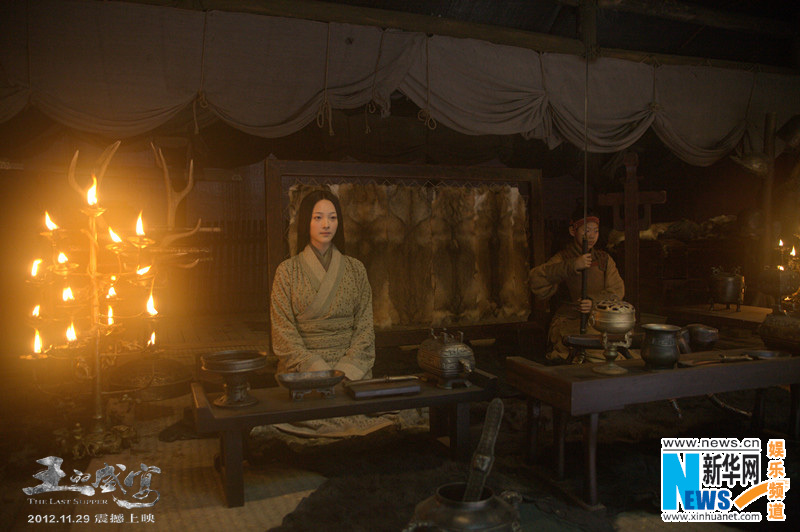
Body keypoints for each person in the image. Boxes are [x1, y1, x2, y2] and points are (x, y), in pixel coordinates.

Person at [270, 188, 375, 381]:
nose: (326, 224)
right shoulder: (287, 272)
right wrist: (318, 370)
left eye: (332, 218)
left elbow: (365, 330)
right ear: (306, 222)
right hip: (304, 374)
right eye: (318, 218)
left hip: (351, 374)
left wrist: (345, 371)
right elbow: (283, 333)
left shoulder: (356, 269)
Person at [529, 208, 625, 362]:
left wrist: (593, 302)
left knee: (617, 348)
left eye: (595, 231)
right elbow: (536, 280)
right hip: (569, 320)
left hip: (600, 320)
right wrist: (572, 265)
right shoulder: (563, 258)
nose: (591, 235)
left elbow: (617, 290)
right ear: (573, 231)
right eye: (586, 230)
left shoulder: (604, 259)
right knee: (590, 353)